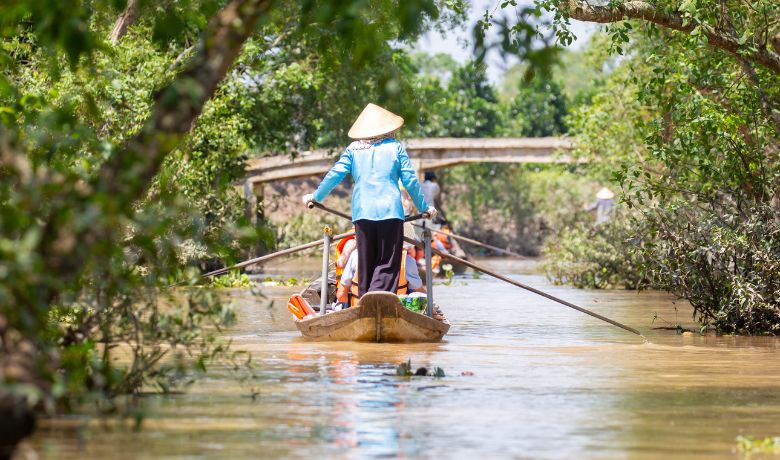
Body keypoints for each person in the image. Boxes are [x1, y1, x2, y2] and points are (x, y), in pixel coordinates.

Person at [303, 103, 436, 300]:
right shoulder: (395, 148)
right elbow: (410, 181)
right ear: (387, 129)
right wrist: (425, 208)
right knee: (387, 263)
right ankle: (376, 299)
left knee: (366, 263)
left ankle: (365, 299)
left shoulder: (353, 150)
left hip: (362, 213)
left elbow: (334, 175)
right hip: (390, 213)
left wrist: (316, 197)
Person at [335, 245, 425, 307]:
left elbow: (341, 296)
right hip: (396, 314)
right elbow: (421, 293)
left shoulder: (356, 255)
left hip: (360, 313)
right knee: (413, 292)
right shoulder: (408, 261)